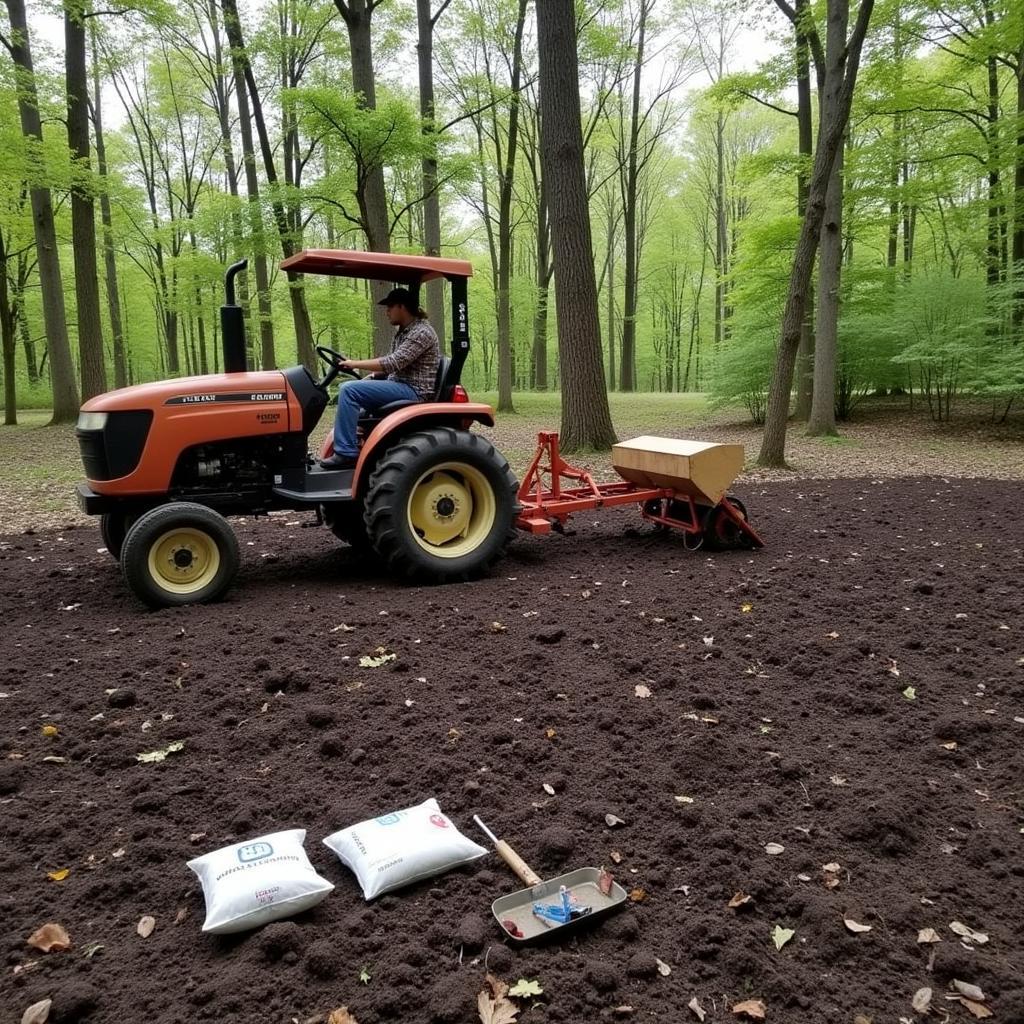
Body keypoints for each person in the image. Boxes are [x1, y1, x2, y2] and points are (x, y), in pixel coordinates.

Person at [320, 287, 440, 469]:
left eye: (390, 307)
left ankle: (345, 453)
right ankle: (356, 441)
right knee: (357, 391)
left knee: (349, 390)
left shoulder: (421, 332)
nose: (387, 312)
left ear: (402, 307)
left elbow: (393, 362)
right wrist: (374, 376)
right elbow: (397, 364)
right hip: (399, 383)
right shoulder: (404, 331)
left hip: (414, 390)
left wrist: (354, 363)